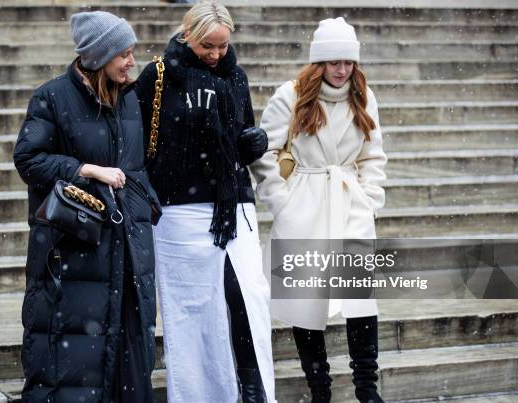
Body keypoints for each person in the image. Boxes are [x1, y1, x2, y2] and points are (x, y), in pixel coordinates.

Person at [13, 11, 160, 403]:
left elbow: (135, 167)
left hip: (128, 253)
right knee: (73, 371)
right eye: (123, 54)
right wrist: (84, 169)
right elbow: (29, 160)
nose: (132, 61)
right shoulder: (52, 97)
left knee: (129, 366)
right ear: (97, 57)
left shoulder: (129, 99)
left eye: (132, 52)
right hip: (75, 254)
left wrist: (145, 203)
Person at [134, 1, 275, 402]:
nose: (215, 55)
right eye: (206, 46)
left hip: (233, 206)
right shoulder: (157, 77)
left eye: (222, 46)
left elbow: (243, 134)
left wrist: (253, 143)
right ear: (188, 35)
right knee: (191, 313)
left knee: (248, 300)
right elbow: (142, 143)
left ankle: (253, 391)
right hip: (179, 211)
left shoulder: (236, 77)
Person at [251, 17, 388, 403]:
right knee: (306, 302)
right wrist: (282, 202)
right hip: (304, 206)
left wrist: (369, 196)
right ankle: (320, 390)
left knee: (360, 297)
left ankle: (366, 388)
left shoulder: (364, 95)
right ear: (318, 62)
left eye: (348, 61)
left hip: (350, 204)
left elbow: (373, 154)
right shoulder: (290, 96)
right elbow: (266, 153)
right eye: (333, 62)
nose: (342, 70)